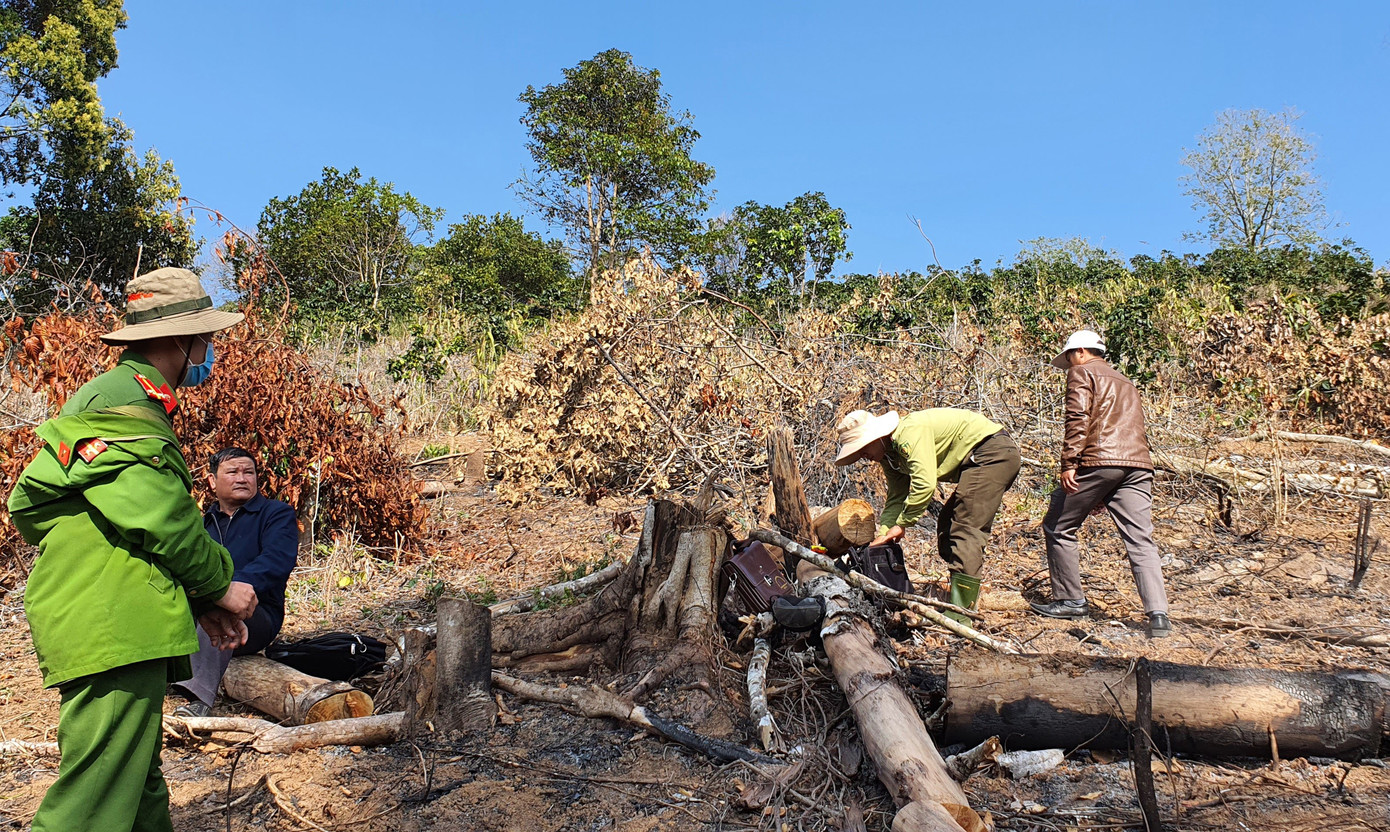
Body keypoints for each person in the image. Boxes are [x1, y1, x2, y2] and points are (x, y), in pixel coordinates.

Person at [7, 267, 253, 832]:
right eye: (206, 337)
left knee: (136, 785)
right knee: (93, 800)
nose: (209, 349)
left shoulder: (124, 400)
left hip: (122, 617)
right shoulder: (120, 405)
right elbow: (162, 519)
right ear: (178, 338)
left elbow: (42, 508)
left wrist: (197, 601)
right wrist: (221, 584)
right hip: (113, 623)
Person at [1029, 330, 1172, 638]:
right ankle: (1158, 615)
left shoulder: (1082, 372)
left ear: (1080, 351)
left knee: (1057, 524)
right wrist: (1104, 492)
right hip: (1138, 464)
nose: (1068, 365)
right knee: (1140, 540)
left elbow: (1077, 418)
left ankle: (1070, 600)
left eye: (1068, 358)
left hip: (1099, 459)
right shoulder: (1125, 380)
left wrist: (1070, 463)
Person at [834, 408, 1021, 621]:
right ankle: (962, 591)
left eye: (862, 448)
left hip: (992, 453)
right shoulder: (889, 455)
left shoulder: (908, 434)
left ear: (876, 437)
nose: (863, 457)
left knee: (964, 529)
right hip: (979, 460)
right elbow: (897, 496)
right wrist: (883, 535)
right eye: (857, 453)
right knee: (947, 528)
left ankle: (961, 615)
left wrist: (903, 523)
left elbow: (924, 485)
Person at [171, 447, 299, 717]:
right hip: (202, 606)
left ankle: (199, 702)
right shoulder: (201, 524)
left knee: (225, 611)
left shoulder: (276, 514)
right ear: (212, 481)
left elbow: (276, 561)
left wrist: (226, 592)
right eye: (232, 472)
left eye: (249, 472)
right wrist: (213, 595)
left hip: (257, 612)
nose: (242, 478)